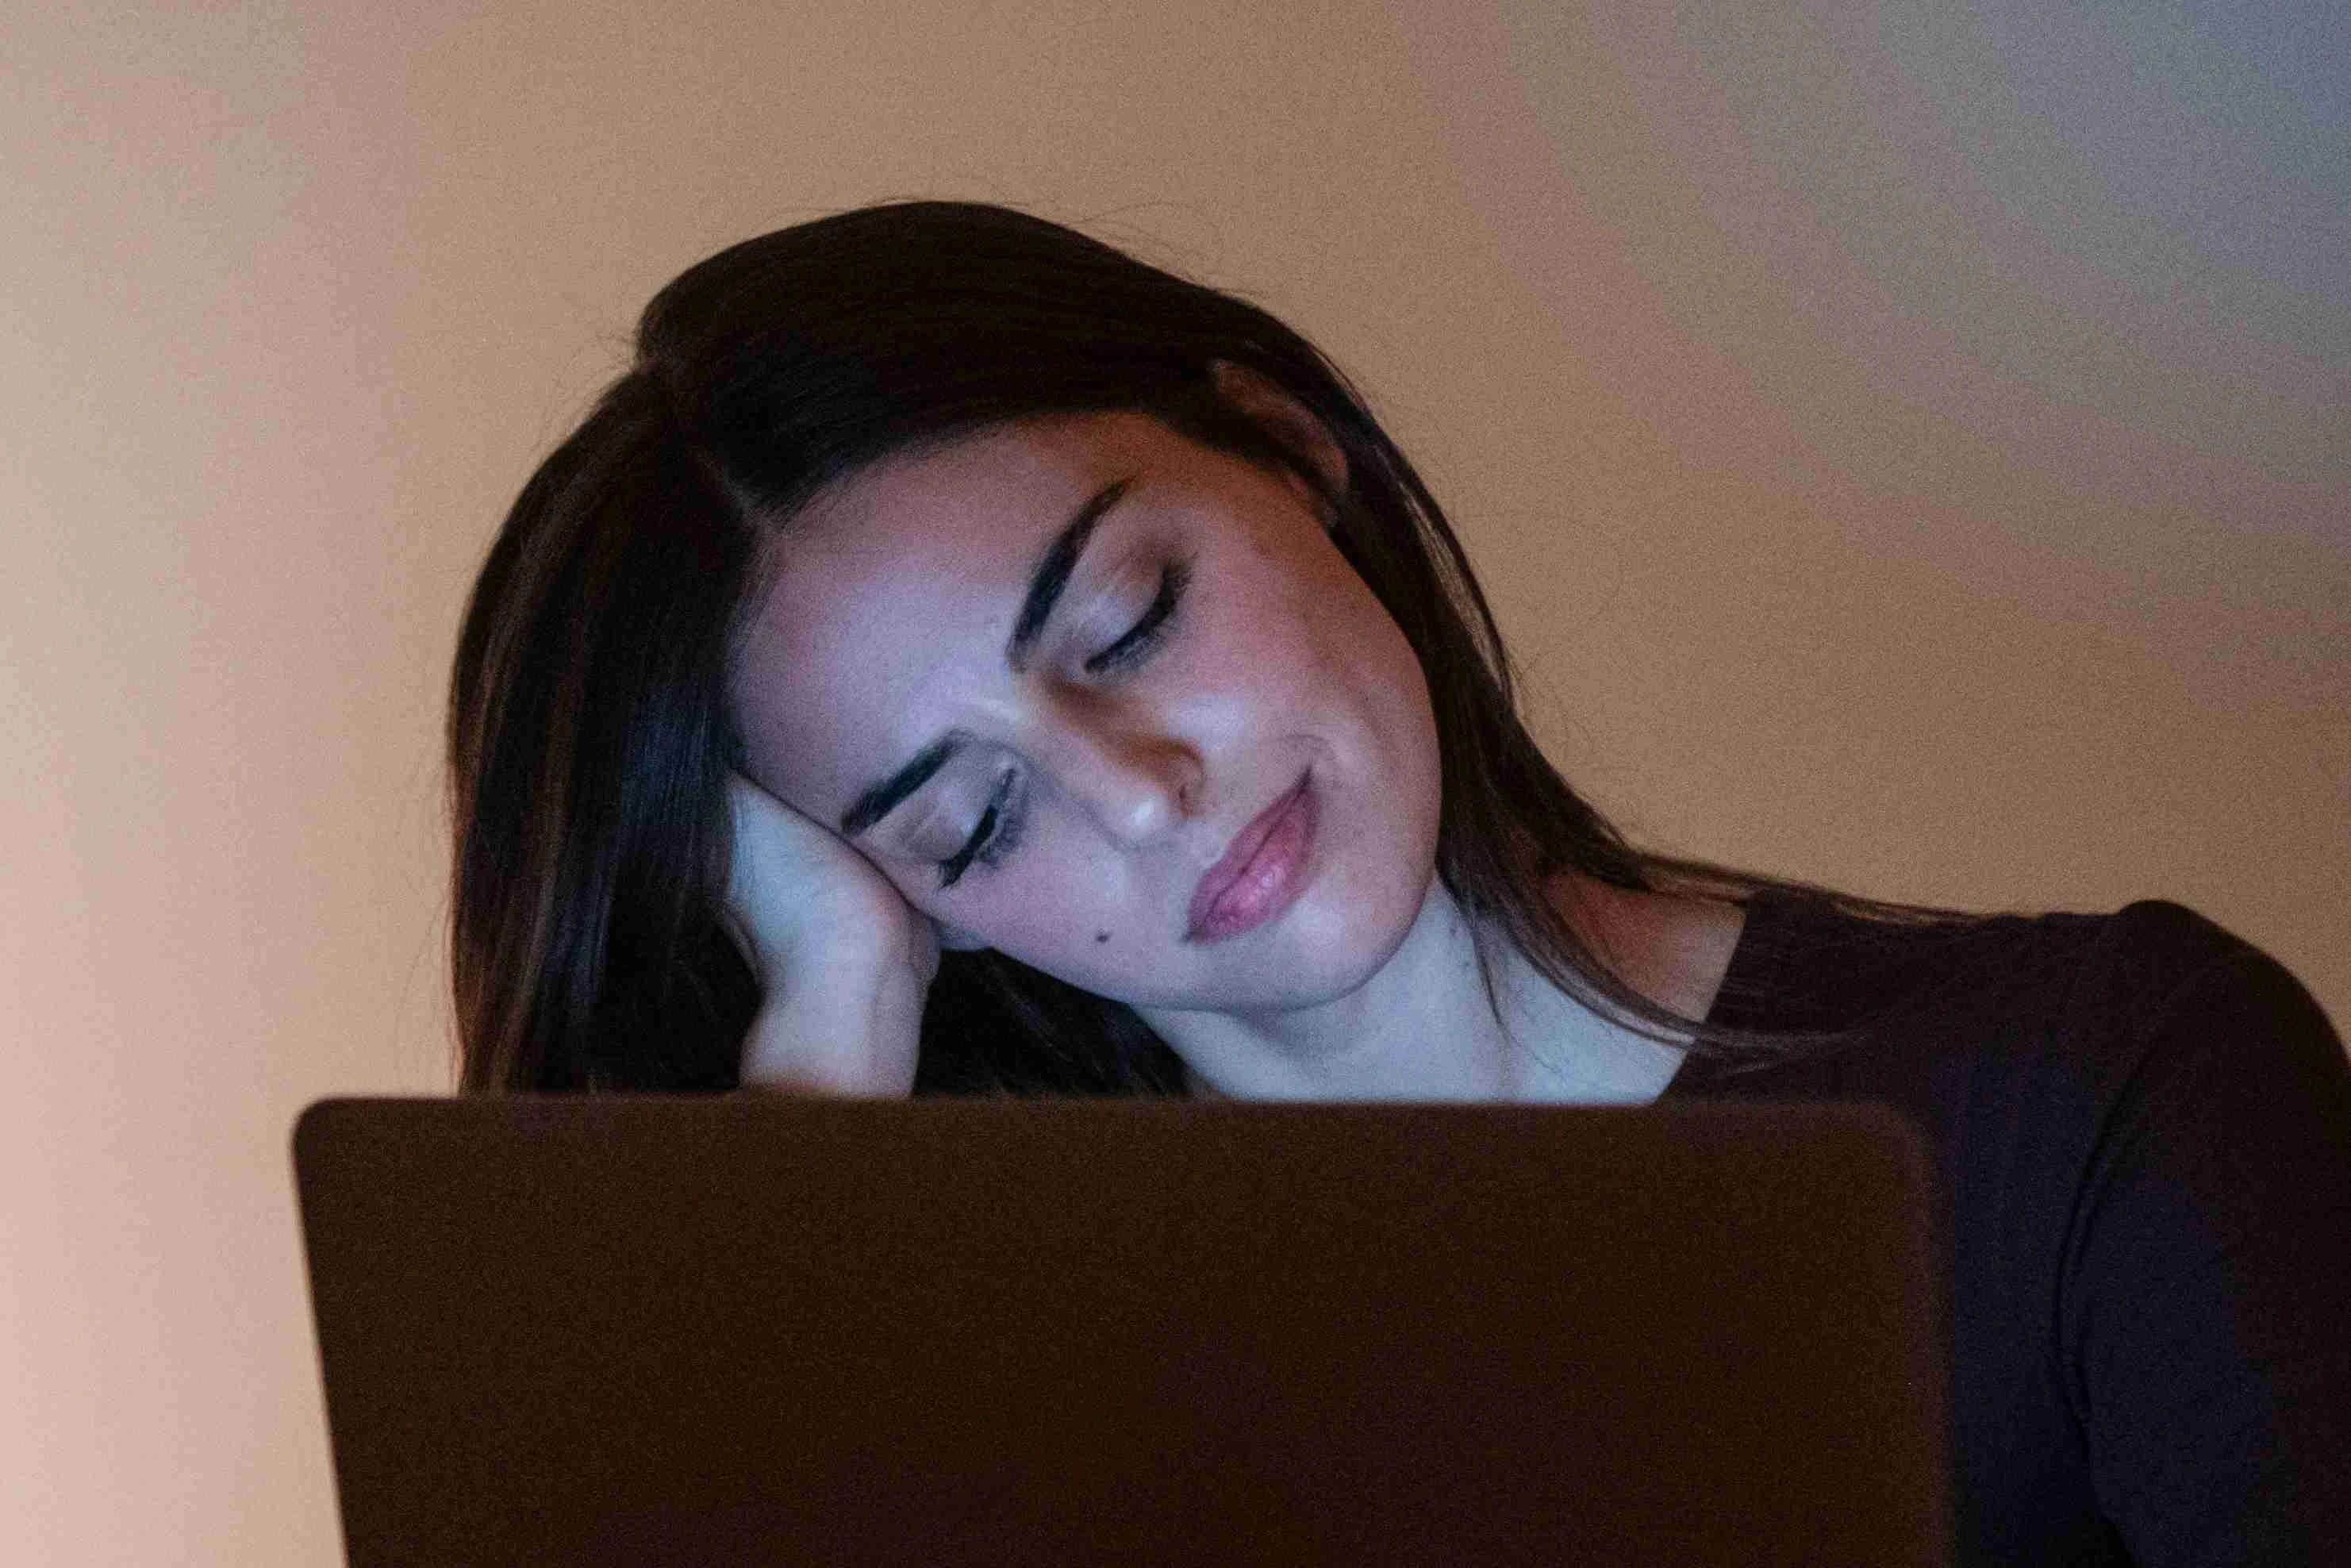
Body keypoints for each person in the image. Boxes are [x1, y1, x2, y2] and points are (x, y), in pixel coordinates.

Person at [445, 201, 2349, 1564]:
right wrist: (827, 1038)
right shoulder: (985, 1372)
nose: (1143, 800)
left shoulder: (2105, 1092)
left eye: (1127, 620)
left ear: (1288, 446)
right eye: (969, 826)